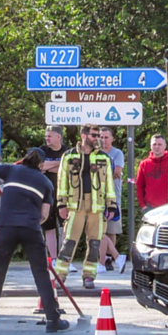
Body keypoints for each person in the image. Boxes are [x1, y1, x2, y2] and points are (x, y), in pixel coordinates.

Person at [0, 147, 70, 333]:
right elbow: (44, 214)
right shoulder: (46, 183)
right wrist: (32, 221)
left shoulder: (11, 170)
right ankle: (52, 319)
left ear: (24, 158)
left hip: (7, 227)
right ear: (41, 165)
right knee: (41, 274)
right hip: (31, 229)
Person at [55, 124, 117, 290]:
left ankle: (89, 276)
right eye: (94, 135)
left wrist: (111, 206)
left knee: (95, 243)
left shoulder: (104, 158)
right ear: (84, 136)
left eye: (98, 135)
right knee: (69, 242)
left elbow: (109, 184)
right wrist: (61, 204)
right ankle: (60, 276)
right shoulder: (68, 156)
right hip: (75, 205)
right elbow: (62, 182)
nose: (97, 138)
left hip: (97, 206)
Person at [40, 126, 69, 267]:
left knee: (65, 227)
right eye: (46, 136)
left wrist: (49, 167)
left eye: (50, 136)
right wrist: (60, 164)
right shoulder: (42, 151)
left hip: (65, 195)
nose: (47, 139)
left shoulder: (68, 151)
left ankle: (65, 259)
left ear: (58, 136)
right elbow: (41, 166)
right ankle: (54, 258)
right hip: (47, 195)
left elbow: (69, 169)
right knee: (49, 228)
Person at [99, 127, 125, 271]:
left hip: (113, 197)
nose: (104, 140)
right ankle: (107, 258)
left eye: (106, 137)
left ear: (112, 138)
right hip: (98, 198)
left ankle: (109, 259)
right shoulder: (96, 153)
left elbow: (117, 173)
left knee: (111, 230)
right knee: (99, 231)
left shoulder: (117, 153)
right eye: (101, 137)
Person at [135, 134, 168, 211]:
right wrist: (142, 205)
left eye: (159, 144)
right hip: (149, 207)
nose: (157, 147)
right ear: (150, 146)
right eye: (154, 144)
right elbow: (139, 186)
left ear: (165, 146)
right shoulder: (144, 164)